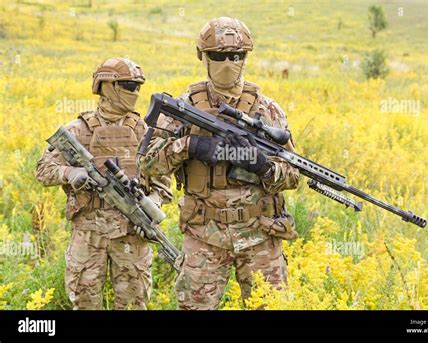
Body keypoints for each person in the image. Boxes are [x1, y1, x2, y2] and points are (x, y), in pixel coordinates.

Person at [139, 17, 300, 310]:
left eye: (235, 55)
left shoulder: (268, 111)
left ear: (245, 58)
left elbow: (294, 174)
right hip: (204, 237)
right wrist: (191, 146)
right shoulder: (183, 107)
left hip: (261, 235)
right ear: (203, 57)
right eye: (217, 55)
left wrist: (262, 165)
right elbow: (148, 165)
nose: (227, 62)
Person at [36, 58, 170, 310]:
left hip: (132, 234)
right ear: (106, 86)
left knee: (133, 305)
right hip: (88, 233)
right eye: (128, 85)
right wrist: (69, 173)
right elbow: (43, 170)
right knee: (85, 303)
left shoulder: (144, 132)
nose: (134, 92)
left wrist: (154, 202)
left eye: (137, 86)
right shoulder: (78, 130)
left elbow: (163, 179)